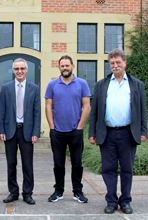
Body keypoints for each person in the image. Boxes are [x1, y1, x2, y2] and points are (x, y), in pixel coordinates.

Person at [89, 48, 148, 214]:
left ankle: (126, 201)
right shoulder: (101, 85)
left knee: (127, 169)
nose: (115, 66)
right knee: (108, 169)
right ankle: (111, 201)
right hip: (107, 134)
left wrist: (144, 130)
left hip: (128, 133)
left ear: (125, 63)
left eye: (118, 62)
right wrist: (91, 132)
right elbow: (95, 111)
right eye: (112, 63)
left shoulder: (137, 85)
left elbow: (142, 109)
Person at [45, 55, 91, 204]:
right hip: (57, 131)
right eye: (62, 66)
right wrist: (52, 127)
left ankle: (78, 191)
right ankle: (58, 191)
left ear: (72, 66)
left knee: (77, 164)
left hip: (75, 131)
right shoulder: (52, 85)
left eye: (67, 65)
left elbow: (87, 106)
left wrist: (80, 127)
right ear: (58, 67)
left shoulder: (82, 84)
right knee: (58, 164)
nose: (65, 68)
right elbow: (48, 106)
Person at [0, 58, 41, 205]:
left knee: (27, 164)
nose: (19, 71)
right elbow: (1, 110)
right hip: (10, 131)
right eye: (16, 68)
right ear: (13, 70)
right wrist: (0, 130)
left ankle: (27, 193)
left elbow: (37, 112)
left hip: (27, 131)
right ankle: (13, 192)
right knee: (11, 164)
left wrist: (36, 132)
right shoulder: (6, 88)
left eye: (22, 68)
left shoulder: (34, 88)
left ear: (26, 70)